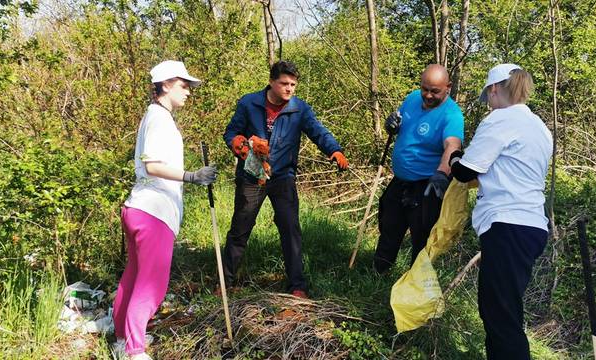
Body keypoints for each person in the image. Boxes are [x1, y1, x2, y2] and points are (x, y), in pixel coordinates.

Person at [113, 60, 218, 360]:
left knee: (134, 277)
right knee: (152, 286)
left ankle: (122, 340)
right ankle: (135, 351)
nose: (188, 92)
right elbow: (153, 165)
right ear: (166, 84)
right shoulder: (159, 118)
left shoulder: (155, 116)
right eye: (184, 86)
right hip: (154, 212)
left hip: (139, 208)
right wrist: (192, 176)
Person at [449, 64, 552, 360]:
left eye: (487, 96)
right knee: (504, 309)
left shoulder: (500, 120)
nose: (488, 103)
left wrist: (454, 157)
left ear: (494, 89)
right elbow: (509, 170)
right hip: (531, 225)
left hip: (509, 224)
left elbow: (467, 170)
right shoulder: (539, 126)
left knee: (501, 316)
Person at [222, 60, 349, 298]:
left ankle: (297, 286)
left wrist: (334, 149)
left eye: (293, 84)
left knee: (290, 229)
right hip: (252, 176)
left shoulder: (299, 109)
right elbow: (231, 131)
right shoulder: (249, 103)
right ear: (271, 82)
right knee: (241, 228)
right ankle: (226, 281)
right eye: (284, 84)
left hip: (283, 176)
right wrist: (238, 143)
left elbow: (318, 131)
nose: (289, 89)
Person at [373, 64, 464, 273]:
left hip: (427, 185)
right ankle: (379, 273)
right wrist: (391, 125)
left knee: (421, 238)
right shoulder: (413, 98)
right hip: (401, 180)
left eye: (435, 91)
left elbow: (452, 145)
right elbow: (399, 123)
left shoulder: (452, 115)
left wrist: (442, 172)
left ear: (448, 87)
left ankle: (416, 286)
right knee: (389, 226)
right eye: (425, 89)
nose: (428, 95)